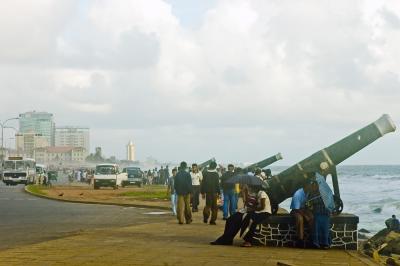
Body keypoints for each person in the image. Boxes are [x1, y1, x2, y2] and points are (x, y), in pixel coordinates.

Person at [307, 180, 332, 249]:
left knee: (325, 228)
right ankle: (316, 243)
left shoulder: (324, 194)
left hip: (325, 213)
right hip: (317, 213)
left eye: (315, 185)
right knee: (317, 227)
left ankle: (325, 243)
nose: (314, 187)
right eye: (313, 185)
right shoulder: (311, 195)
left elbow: (329, 204)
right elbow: (309, 204)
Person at [290, 178, 314, 247]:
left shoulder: (308, 192)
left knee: (312, 217)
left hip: (303, 209)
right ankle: (300, 239)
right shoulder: (297, 194)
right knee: (300, 219)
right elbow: (296, 209)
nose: (311, 187)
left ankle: (311, 238)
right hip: (295, 210)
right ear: (306, 186)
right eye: (310, 185)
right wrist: (305, 216)